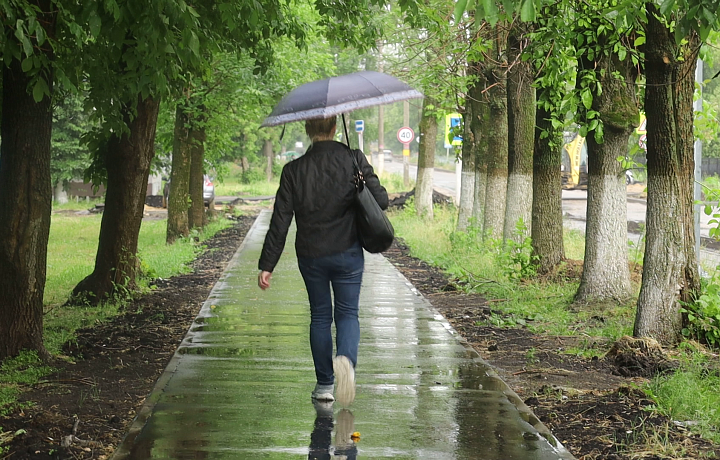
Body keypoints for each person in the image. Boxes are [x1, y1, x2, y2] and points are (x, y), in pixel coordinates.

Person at [257, 116, 388, 407]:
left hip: (311, 254)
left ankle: (325, 384)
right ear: (333, 128)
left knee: (319, 316)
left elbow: (280, 221)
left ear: (308, 129)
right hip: (348, 252)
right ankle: (346, 362)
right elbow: (382, 200)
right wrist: (361, 180)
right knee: (347, 314)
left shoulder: (293, 170)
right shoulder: (353, 159)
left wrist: (267, 264)